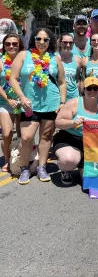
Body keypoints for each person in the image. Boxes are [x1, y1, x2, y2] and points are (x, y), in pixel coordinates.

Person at [10, 28, 66, 185]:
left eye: (46, 40)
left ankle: (42, 166)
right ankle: (24, 168)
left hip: (51, 104)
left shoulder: (55, 59)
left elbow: (62, 82)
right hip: (29, 105)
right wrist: (21, 96)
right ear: (33, 39)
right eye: (38, 39)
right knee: (27, 137)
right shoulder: (23, 55)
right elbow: (13, 78)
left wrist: (62, 102)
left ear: (50, 42)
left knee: (46, 137)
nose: (42, 42)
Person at [54, 77, 98, 185]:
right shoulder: (73, 103)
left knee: (90, 183)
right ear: (84, 90)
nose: (92, 91)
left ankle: (82, 165)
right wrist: (73, 123)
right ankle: (66, 170)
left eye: (95, 88)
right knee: (68, 160)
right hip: (69, 138)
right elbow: (58, 122)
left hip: (91, 144)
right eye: (89, 88)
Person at [0, 34, 24, 172]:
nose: (11, 46)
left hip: (23, 102)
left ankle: (21, 159)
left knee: (23, 135)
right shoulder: (1, 61)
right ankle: (8, 160)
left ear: (19, 45)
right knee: (7, 133)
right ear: (4, 46)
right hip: (5, 102)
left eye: (14, 44)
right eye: (8, 44)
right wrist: (8, 99)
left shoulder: (25, 61)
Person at [56, 34, 82, 102]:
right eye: (65, 42)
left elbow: (77, 80)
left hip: (73, 97)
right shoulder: (54, 58)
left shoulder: (77, 60)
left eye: (70, 43)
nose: (68, 45)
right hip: (58, 97)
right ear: (60, 43)